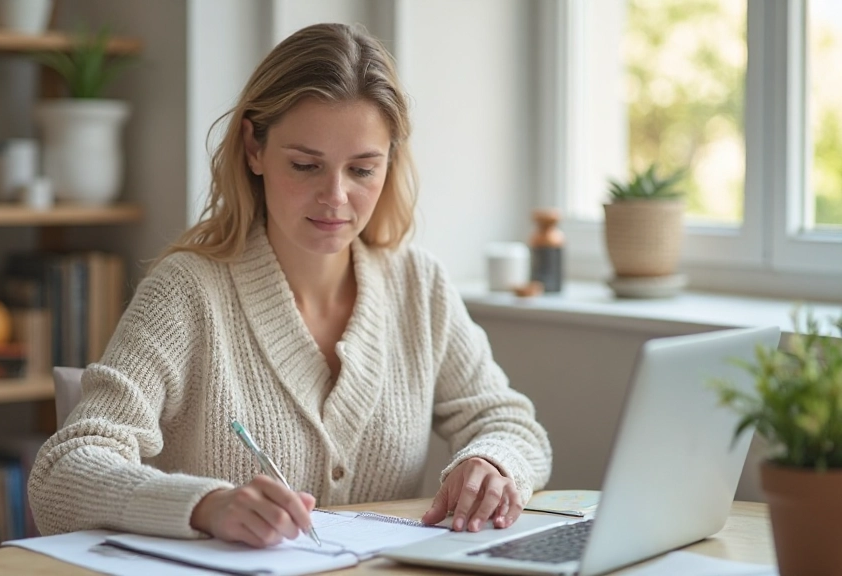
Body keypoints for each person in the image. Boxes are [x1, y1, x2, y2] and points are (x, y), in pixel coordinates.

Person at [28, 22, 552, 549]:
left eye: (363, 170)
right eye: (305, 165)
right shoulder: (186, 292)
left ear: (390, 161)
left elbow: (511, 423)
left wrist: (490, 461)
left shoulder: (419, 285)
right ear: (254, 148)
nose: (335, 197)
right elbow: (62, 474)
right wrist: (206, 507)